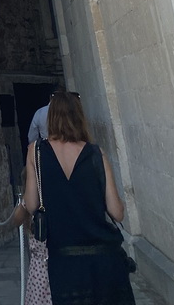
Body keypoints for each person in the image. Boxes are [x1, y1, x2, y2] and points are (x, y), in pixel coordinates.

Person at [21, 91, 135, 305]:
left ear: (51, 117)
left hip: (62, 257)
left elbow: (32, 204)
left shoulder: (35, 151)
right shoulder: (95, 153)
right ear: (78, 117)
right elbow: (116, 212)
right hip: (102, 257)